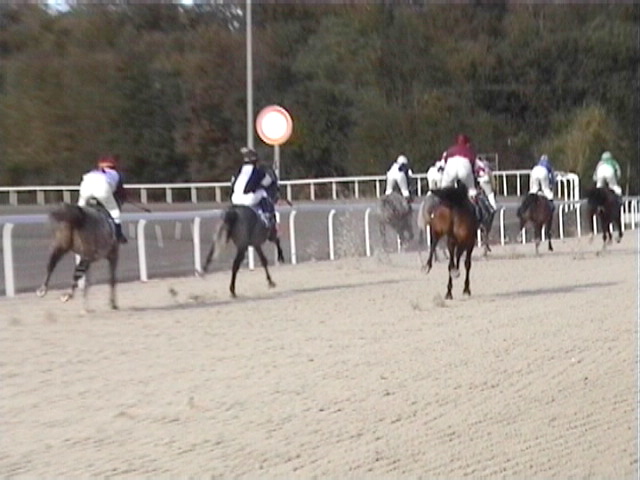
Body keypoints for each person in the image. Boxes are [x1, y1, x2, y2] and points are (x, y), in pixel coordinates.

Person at [78, 154, 128, 244]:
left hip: (85, 186)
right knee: (115, 212)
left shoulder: (92, 172)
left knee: (80, 209)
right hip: (102, 188)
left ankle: (78, 229)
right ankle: (118, 235)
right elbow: (120, 191)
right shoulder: (117, 174)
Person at [440, 133, 489, 221]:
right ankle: (477, 218)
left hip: (450, 169)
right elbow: (478, 167)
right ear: (467, 143)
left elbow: (442, 165)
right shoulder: (470, 151)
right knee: (472, 191)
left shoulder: (449, 151)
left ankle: (437, 209)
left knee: (443, 191)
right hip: (465, 169)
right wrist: (481, 174)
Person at [231, 147, 277, 233]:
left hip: (234, 199)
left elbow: (232, 183)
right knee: (263, 192)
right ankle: (267, 216)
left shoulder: (238, 171)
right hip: (249, 199)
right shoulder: (258, 171)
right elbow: (267, 182)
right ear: (255, 161)